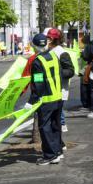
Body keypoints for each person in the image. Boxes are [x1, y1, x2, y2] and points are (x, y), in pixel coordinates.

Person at [27, 33, 63, 165]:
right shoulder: (53, 56)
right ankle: (57, 151)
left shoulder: (38, 61)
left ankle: (49, 155)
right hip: (58, 97)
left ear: (35, 46)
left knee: (45, 128)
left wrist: (31, 101)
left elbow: (38, 83)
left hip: (46, 99)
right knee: (55, 126)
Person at [46, 29, 76, 133]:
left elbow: (70, 71)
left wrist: (56, 74)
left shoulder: (61, 53)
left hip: (59, 89)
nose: (47, 40)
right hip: (50, 89)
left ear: (52, 39)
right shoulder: (49, 51)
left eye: (48, 38)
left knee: (57, 115)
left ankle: (61, 128)